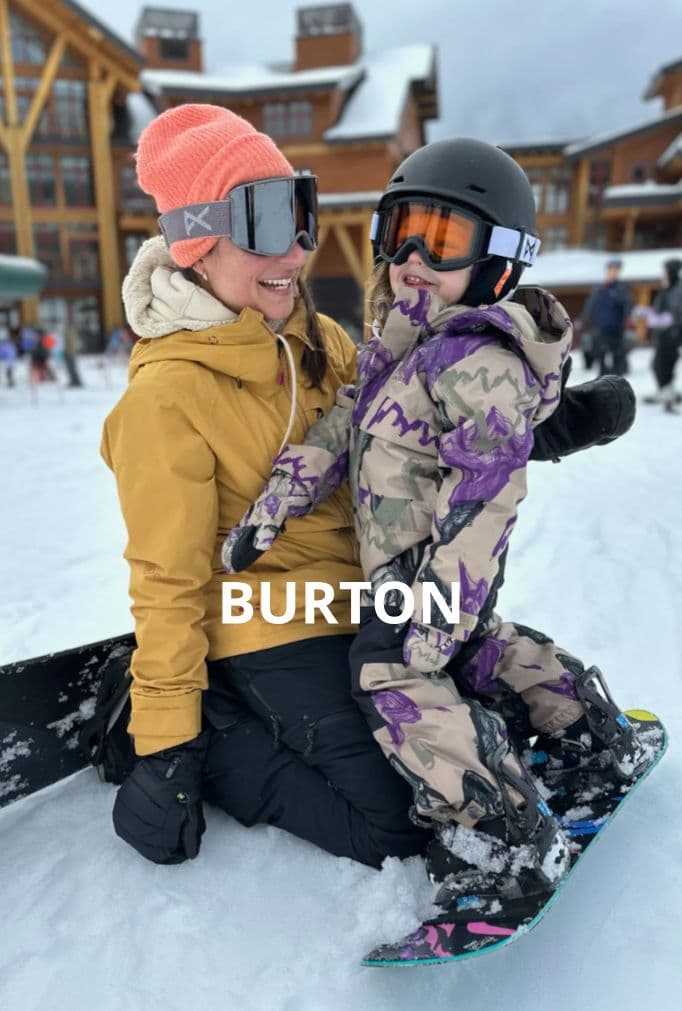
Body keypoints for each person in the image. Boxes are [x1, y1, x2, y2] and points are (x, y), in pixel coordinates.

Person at [101, 106, 635, 874]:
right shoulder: (164, 399)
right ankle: (202, 724)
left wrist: (538, 423)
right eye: (264, 221)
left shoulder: (321, 340)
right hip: (267, 624)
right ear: (195, 241)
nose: (295, 249)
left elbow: (409, 424)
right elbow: (166, 581)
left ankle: (562, 742)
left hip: (362, 602)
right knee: (399, 826)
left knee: (461, 722)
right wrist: (167, 748)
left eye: (300, 214)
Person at [223, 138, 648, 920]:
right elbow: (343, 426)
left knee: (392, 676)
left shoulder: (474, 361)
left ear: (499, 262)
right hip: (414, 570)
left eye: (444, 239)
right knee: (482, 652)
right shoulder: (403, 343)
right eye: (403, 231)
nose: (414, 258)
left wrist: (438, 604)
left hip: (436, 571)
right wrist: (277, 501)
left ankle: (500, 831)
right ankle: (589, 730)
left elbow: (489, 489)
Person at [638, 258, 682, 413]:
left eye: (665, 271)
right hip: (663, 335)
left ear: (672, 271)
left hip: (672, 335)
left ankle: (668, 393)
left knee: (664, 364)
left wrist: (664, 319)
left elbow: (675, 313)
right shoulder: (668, 289)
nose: (663, 274)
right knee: (658, 364)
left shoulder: (678, 289)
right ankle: (665, 391)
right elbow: (660, 310)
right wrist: (648, 313)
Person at [580, 258, 632, 376]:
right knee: (601, 352)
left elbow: (628, 305)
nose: (614, 273)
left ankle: (618, 376)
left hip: (617, 327)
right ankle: (602, 376)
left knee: (618, 353)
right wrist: (582, 320)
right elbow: (590, 306)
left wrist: (629, 317)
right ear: (607, 271)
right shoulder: (599, 289)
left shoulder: (621, 288)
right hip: (602, 326)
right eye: (612, 270)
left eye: (616, 270)